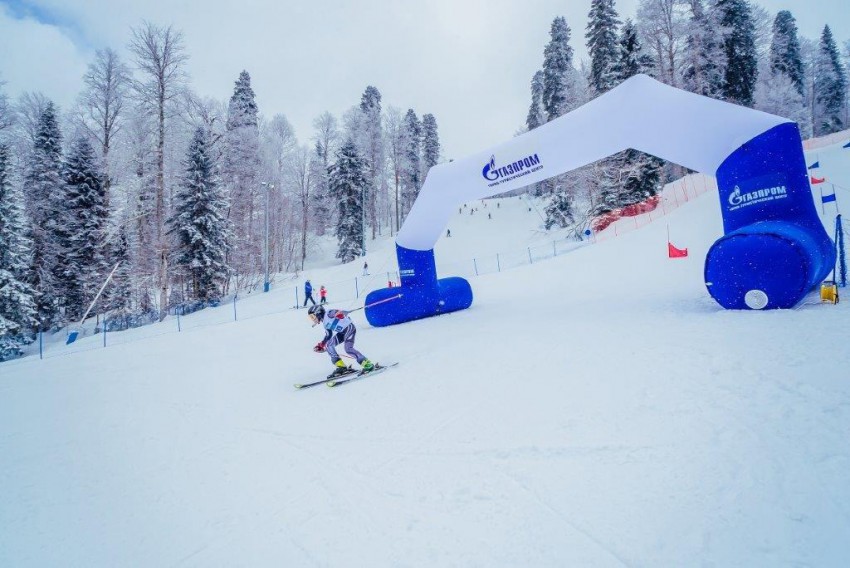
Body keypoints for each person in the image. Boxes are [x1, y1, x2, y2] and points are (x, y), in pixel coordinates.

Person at [308, 304, 374, 377]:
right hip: (342, 332)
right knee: (329, 345)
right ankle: (341, 367)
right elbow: (328, 335)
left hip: (349, 329)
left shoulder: (328, 313)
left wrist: (339, 314)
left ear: (318, 313)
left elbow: (335, 312)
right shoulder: (325, 323)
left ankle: (367, 364)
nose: (313, 319)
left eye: (313, 316)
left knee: (348, 349)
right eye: (311, 317)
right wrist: (321, 345)